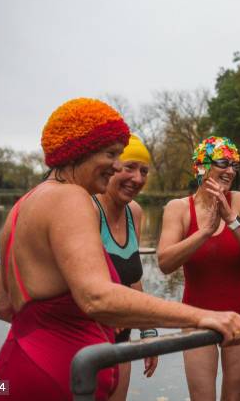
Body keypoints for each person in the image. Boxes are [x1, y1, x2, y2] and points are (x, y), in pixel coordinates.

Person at [0, 99, 240, 401]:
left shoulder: (24, 204)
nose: (116, 166)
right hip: (61, 379)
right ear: (80, 150)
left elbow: (2, 303)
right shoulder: (70, 198)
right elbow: (97, 296)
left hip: (22, 364)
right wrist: (201, 317)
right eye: (112, 154)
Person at [157, 136, 240, 401]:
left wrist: (231, 219)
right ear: (202, 165)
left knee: (234, 397)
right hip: (197, 317)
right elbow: (164, 262)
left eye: (234, 165)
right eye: (223, 162)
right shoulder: (178, 209)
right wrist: (204, 232)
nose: (230, 170)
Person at [92, 133, 158, 401]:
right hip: (85, 344)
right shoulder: (88, 209)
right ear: (111, 168)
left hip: (121, 345)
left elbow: (133, 278)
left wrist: (148, 332)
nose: (138, 178)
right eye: (130, 167)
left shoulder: (135, 212)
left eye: (144, 171)